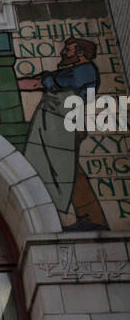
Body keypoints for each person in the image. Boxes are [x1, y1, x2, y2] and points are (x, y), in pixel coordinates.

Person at [19, 36, 107, 229]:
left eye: (68, 49)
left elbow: (43, 83)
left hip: (66, 125)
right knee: (70, 170)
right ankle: (92, 218)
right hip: (63, 124)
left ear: (80, 53)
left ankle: (93, 220)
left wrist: (4, 85)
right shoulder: (77, 71)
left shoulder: (84, 71)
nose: (63, 52)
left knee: (68, 171)